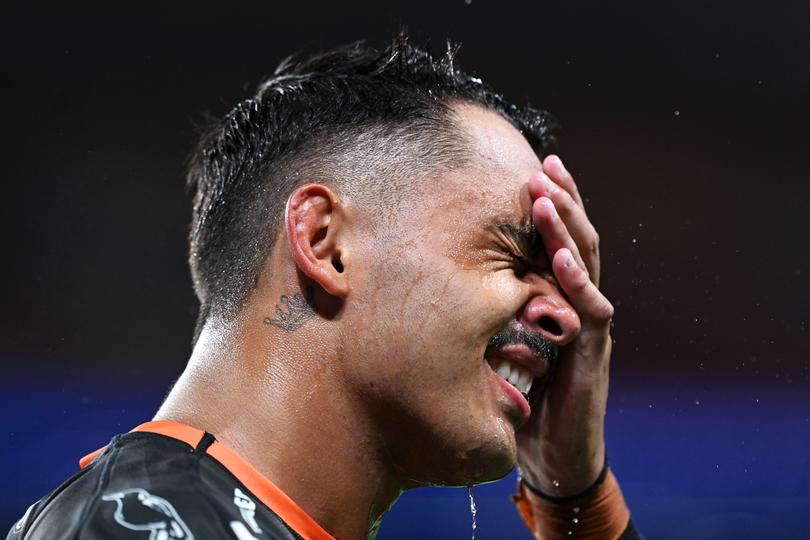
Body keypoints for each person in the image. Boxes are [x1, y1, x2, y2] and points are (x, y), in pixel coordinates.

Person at [8, 33, 642, 540]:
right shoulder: (146, 526)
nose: (568, 315)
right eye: (514, 253)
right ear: (325, 244)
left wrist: (574, 496)